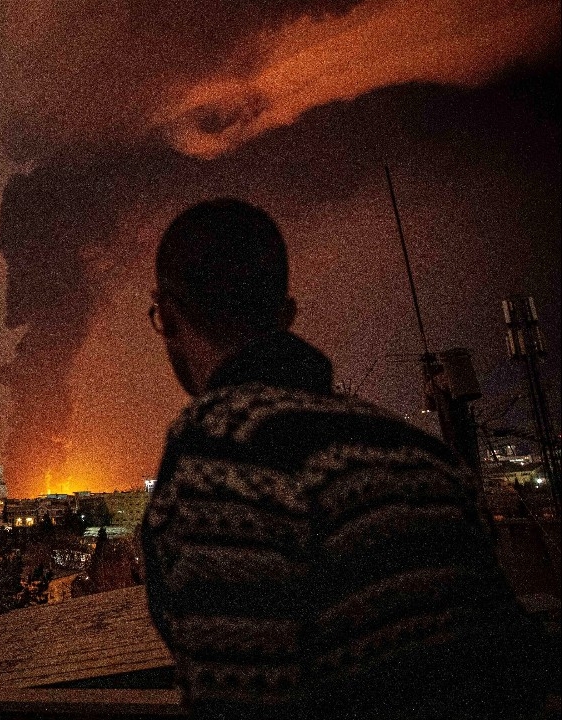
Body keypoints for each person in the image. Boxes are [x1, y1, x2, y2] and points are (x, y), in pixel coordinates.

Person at [140, 198, 552, 719]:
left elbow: (239, 699)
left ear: (169, 314)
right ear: (287, 315)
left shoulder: (222, 451)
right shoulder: (421, 453)